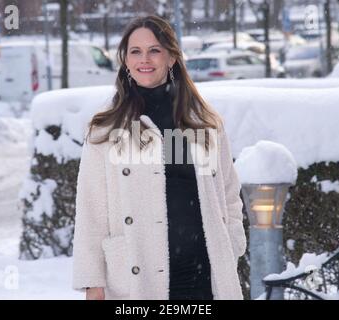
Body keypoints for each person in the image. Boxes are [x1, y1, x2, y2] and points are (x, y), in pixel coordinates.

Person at [72, 15, 246, 300]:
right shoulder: (106, 129)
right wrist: (93, 282)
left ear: (172, 57)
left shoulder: (205, 123)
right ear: (125, 60)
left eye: (154, 50)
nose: (145, 59)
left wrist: (232, 243)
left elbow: (228, 192)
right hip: (137, 274)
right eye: (135, 51)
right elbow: (91, 212)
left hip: (205, 273)